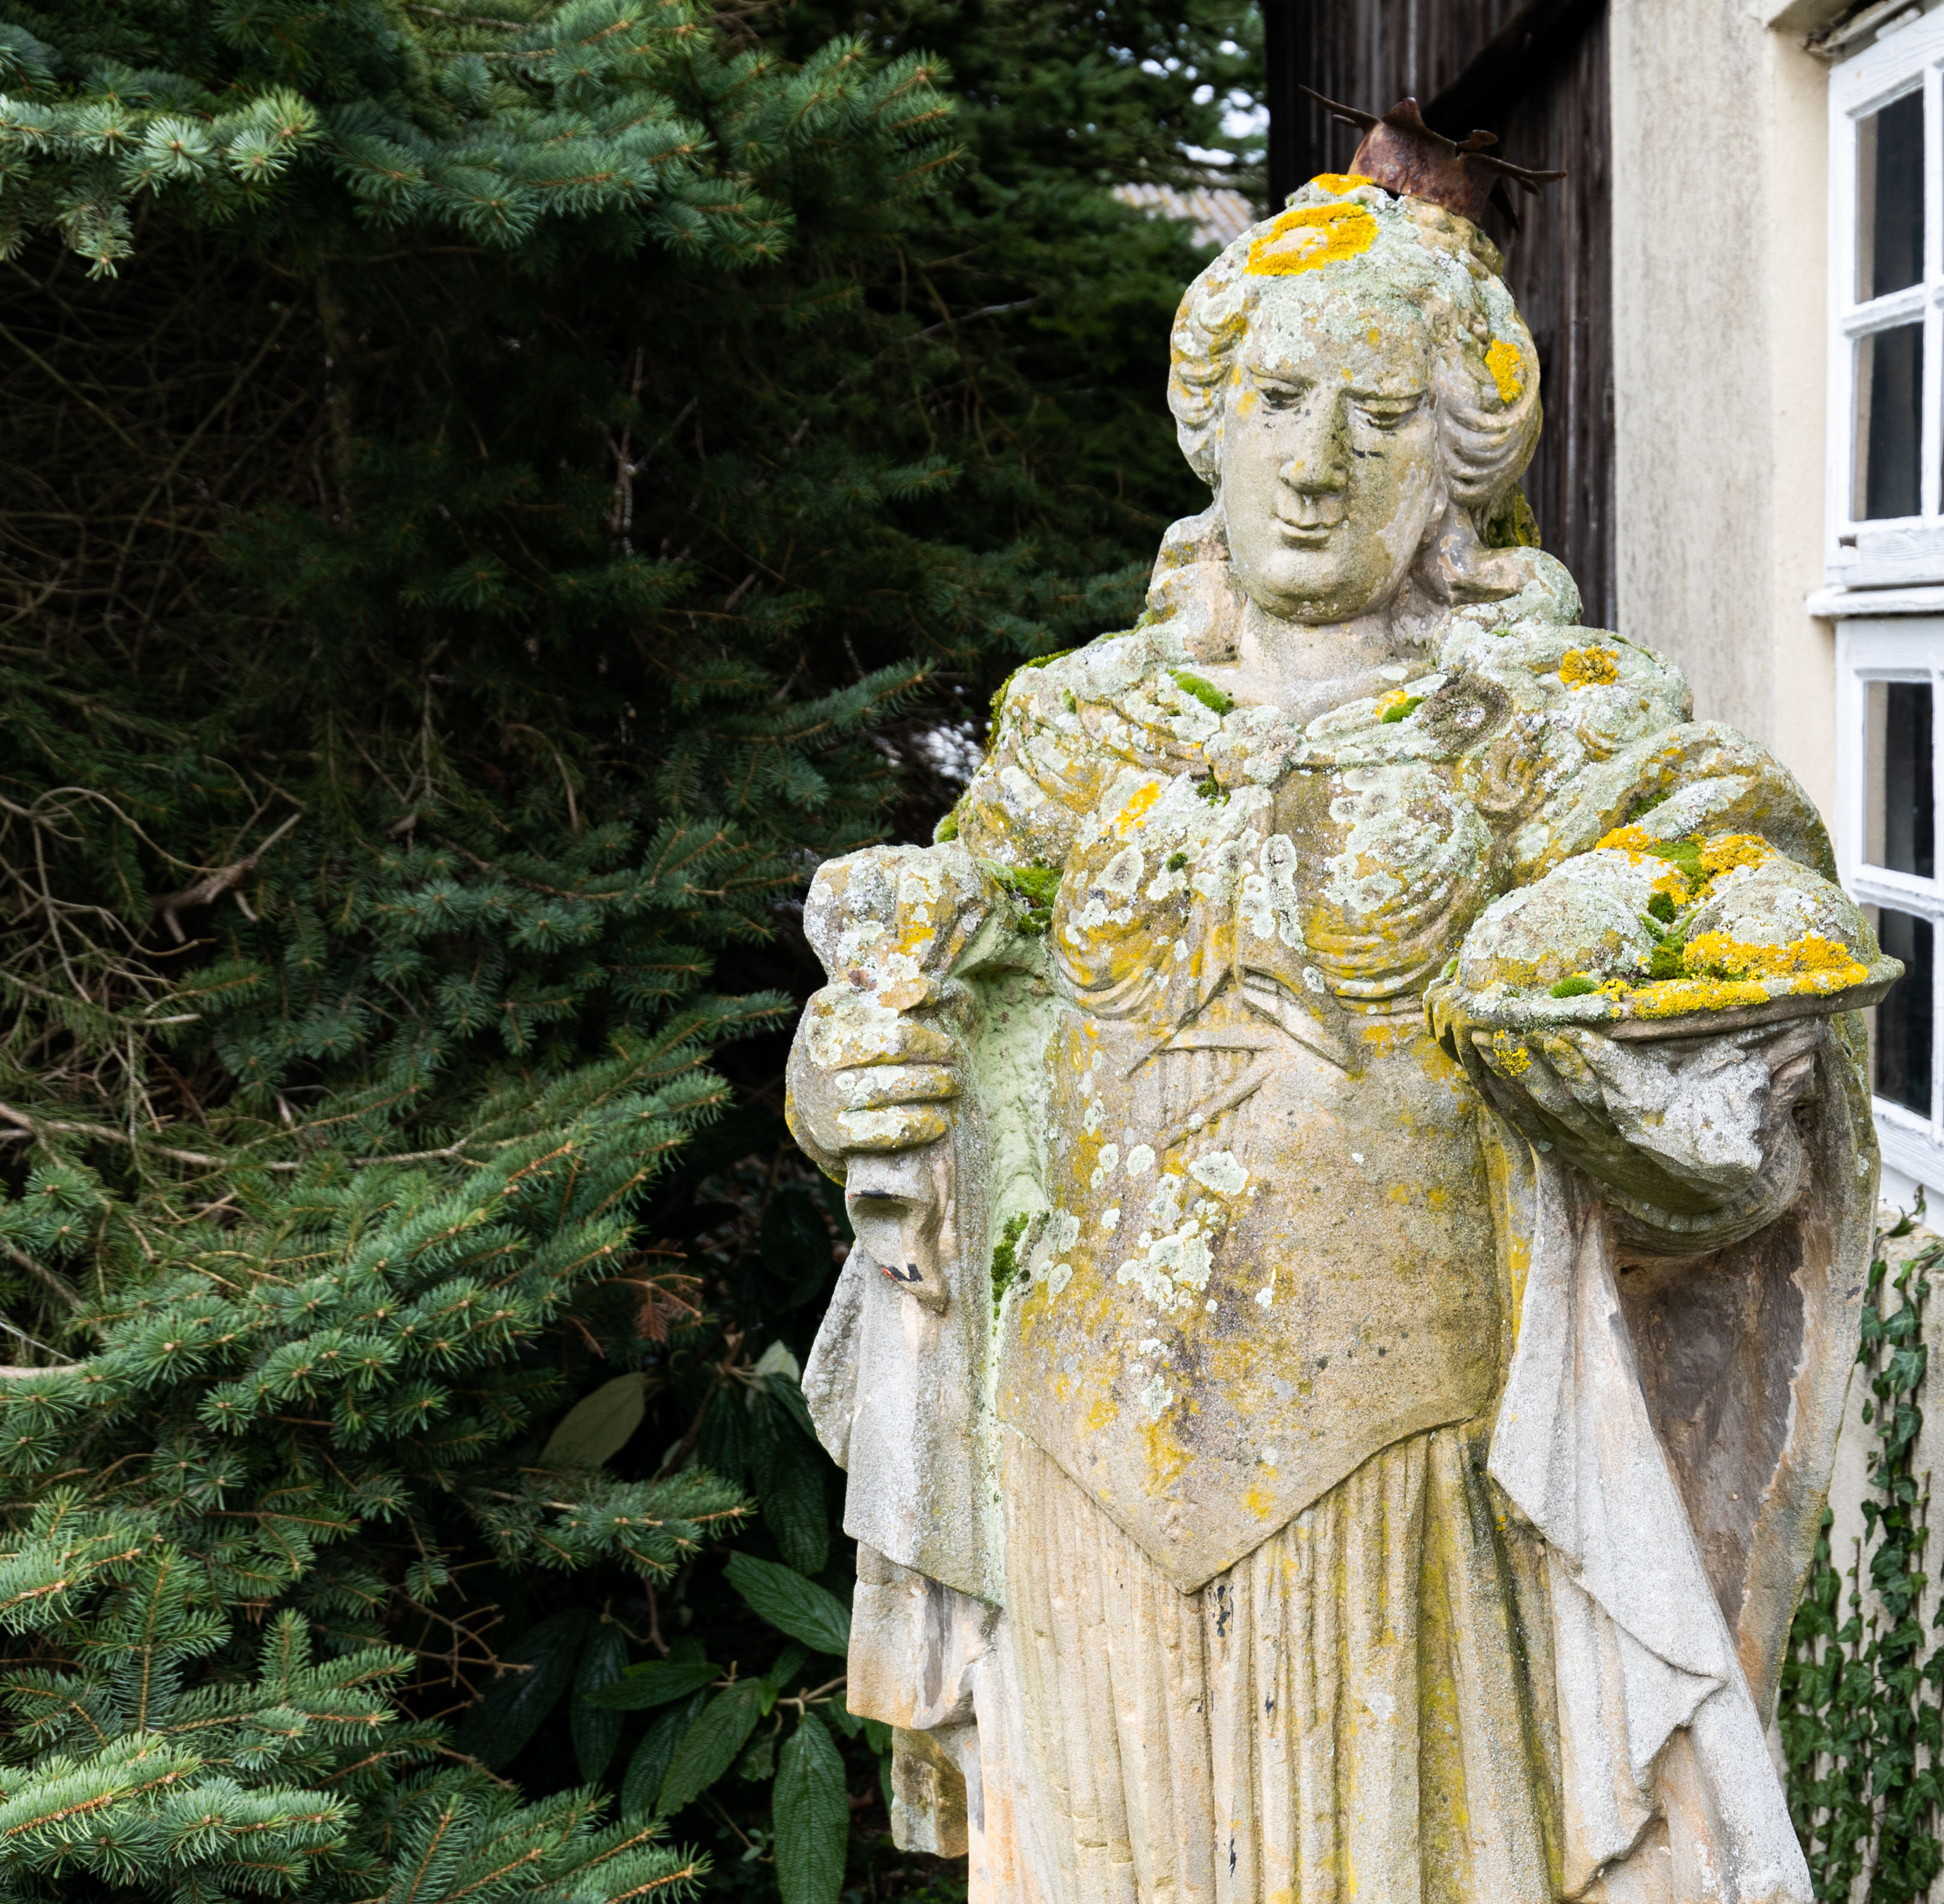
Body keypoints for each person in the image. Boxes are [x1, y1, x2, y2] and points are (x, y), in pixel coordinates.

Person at [789, 148, 1885, 1904]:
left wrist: (1600, 952)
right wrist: (844, 1085)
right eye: (1279, 403)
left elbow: (1763, 932)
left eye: (1378, 417)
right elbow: (924, 1002)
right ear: (1210, 427)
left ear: (1456, 468)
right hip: (1079, 1462)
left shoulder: (1545, 723)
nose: (1315, 464)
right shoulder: (1079, 729)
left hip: (1408, 1473)